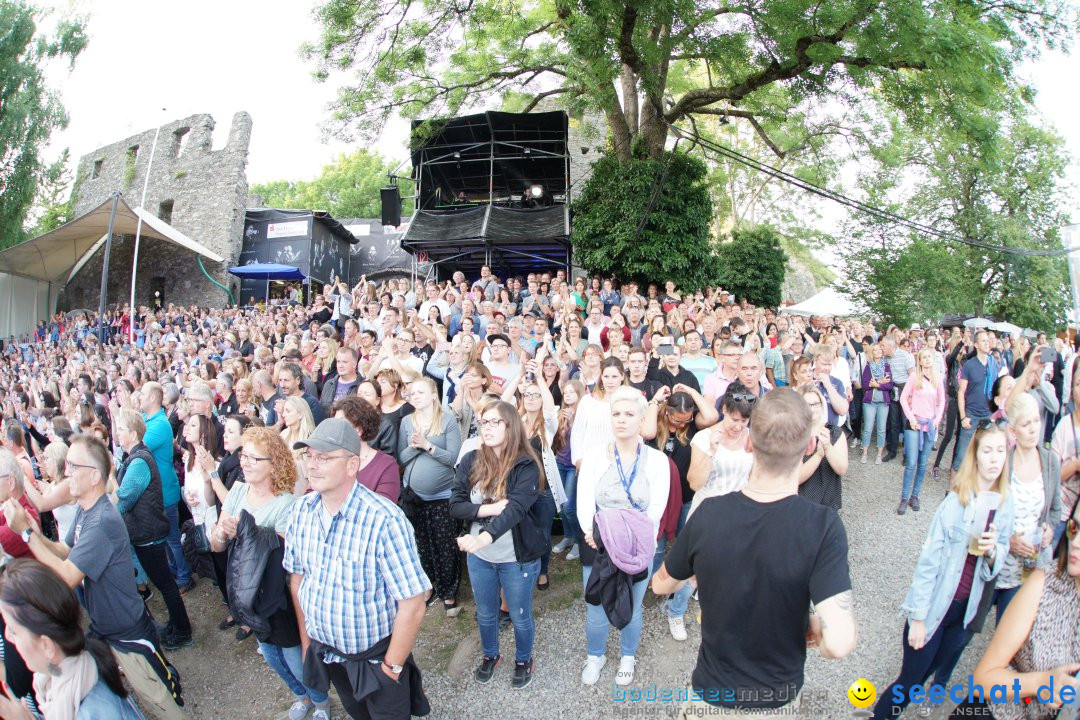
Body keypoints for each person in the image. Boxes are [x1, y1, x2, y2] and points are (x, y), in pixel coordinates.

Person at [652, 389, 856, 718]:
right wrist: (814, 623)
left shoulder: (709, 514)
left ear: (750, 443)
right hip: (779, 698)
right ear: (808, 447)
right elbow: (839, 642)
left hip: (712, 694)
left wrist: (692, 570)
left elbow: (661, 585)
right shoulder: (823, 526)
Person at [2, 434, 186, 720]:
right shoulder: (85, 510)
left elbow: (66, 578)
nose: (66, 472)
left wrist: (26, 533)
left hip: (127, 632)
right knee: (121, 693)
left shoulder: (102, 520)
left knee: (163, 704)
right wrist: (33, 534)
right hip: (107, 628)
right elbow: (64, 550)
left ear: (94, 477)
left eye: (74, 466)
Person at [284, 419, 431, 720]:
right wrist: (307, 641)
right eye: (309, 456)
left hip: (377, 660)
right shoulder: (300, 511)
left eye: (324, 458)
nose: (313, 465)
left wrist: (392, 667)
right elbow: (298, 580)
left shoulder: (384, 520)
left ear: (352, 465)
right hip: (331, 657)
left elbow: (413, 603)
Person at [871, 421, 1015, 720]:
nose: (994, 458)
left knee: (925, 676)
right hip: (937, 606)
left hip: (964, 613)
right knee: (909, 682)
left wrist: (992, 553)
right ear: (975, 455)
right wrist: (919, 618)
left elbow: (997, 564)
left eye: (1000, 451)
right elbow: (928, 564)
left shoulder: (1005, 503)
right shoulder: (955, 503)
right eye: (987, 450)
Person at [209, 427, 331, 720]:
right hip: (246, 590)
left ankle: (321, 701)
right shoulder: (237, 491)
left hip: (277, 594)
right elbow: (215, 546)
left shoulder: (286, 502)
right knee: (271, 656)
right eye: (243, 455)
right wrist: (222, 533)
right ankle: (301, 696)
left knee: (291, 654)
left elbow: (285, 549)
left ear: (273, 464)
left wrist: (245, 530)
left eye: (254, 457)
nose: (245, 462)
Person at [449, 399, 547, 689]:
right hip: (480, 557)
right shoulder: (471, 459)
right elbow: (455, 503)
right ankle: (491, 655)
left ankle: (523, 659)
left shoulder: (526, 464)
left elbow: (516, 510)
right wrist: (486, 511)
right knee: (486, 612)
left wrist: (482, 536)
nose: (487, 427)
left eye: (494, 422)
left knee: (519, 614)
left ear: (510, 425)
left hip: (516, 557)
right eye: (483, 422)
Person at [577, 387, 670, 687]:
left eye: (629, 414)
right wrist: (590, 531)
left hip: (636, 545)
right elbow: (584, 499)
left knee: (632, 607)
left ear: (643, 418)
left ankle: (628, 655)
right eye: (616, 414)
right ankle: (596, 655)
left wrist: (644, 540)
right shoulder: (594, 457)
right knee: (595, 608)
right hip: (599, 542)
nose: (621, 420)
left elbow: (656, 507)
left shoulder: (657, 461)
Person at [957, 496, 1080, 720]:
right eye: (1075, 527)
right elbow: (982, 682)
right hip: (997, 714)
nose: (1076, 540)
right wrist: (1042, 682)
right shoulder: (1046, 582)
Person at [0, 559, 145, 720]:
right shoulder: (63, 674)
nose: (7, 636)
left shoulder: (95, 712)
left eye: (13, 630)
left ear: (47, 646)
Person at [113, 410, 193, 651]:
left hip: (148, 534)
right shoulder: (135, 457)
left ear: (133, 433)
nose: (116, 433)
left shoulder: (138, 461)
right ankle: (178, 624)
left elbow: (124, 498)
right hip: (147, 531)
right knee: (165, 583)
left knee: (166, 585)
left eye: (120, 430)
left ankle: (182, 631)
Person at [989, 394, 1060, 621]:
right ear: (1013, 431)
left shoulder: (1050, 461)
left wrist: (1048, 527)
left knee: (1013, 628)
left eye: (1036, 421)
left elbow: (1055, 508)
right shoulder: (1002, 463)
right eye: (1026, 424)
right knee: (965, 630)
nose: (1033, 429)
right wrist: (1008, 540)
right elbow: (985, 514)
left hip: (1030, 564)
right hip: (998, 562)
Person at [397, 378, 464, 617]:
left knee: (445, 544)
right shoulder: (407, 421)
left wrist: (428, 445)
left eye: (420, 392)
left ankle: (448, 591)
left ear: (434, 395)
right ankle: (428, 586)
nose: (415, 396)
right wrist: (415, 446)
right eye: (412, 393)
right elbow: (401, 458)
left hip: (442, 495)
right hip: (414, 496)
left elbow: (454, 457)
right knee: (421, 544)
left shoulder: (446, 419)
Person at [139, 382, 192, 595]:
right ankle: (176, 569)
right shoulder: (148, 419)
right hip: (157, 490)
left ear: (153, 398)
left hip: (165, 489)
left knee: (171, 535)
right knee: (165, 535)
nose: (139, 397)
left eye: (142, 393)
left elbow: (138, 445)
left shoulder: (160, 424)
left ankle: (185, 576)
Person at [898, 348, 946, 514]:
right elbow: (903, 398)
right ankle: (904, 498)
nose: (926, 360)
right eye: (923, 357)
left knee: (923, 463)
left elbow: (942, 401)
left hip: (929, 425)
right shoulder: (914, 377)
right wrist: (911, 418)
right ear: (919, 360)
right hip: (915, 424)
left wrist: (937, 420)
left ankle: (915, 495)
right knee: (911, 462)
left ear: (932, 359)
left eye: (929, 357)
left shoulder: (937, 378)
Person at [331, 396, 401, 503]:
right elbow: (311, 493)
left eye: (340, 423)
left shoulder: (386, 466)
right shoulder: (327, 457)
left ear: (358, 429)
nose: (334, 429)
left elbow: (383, 509)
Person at [797, 385, 849, 512]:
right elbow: (796, 478)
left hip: (829, 504)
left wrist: (828, 448)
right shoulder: (794, 435)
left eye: (816, 404)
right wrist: (819, 455)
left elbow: (842, 469)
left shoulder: (835, 432)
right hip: (801, 504)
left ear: (822, 405)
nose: (812, 409)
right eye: (807, 405)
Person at [954, 331, 999, 472]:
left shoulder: (993, 364)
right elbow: (961, 392)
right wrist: (963, 417)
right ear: (976, 344)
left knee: (984, 454)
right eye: (984, 341)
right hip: (971, 414)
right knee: (961, 456)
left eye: (988, 340)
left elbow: (997, 390)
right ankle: (953, 491)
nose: (987, 343)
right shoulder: (969, 365)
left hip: (988, 414)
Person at [860, 343, 893, 465]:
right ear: (872, 353)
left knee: (881, 429)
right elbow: (865, 384)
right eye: (875, 350)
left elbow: (889, 384)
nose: (878, 351)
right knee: (868, 428)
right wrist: (881, 382)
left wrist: (877, 384)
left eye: (879, 349)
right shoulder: (868, 366)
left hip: (883, 402)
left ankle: (879, 454)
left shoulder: (887, 366)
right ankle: (865, 453)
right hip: (870, 402)